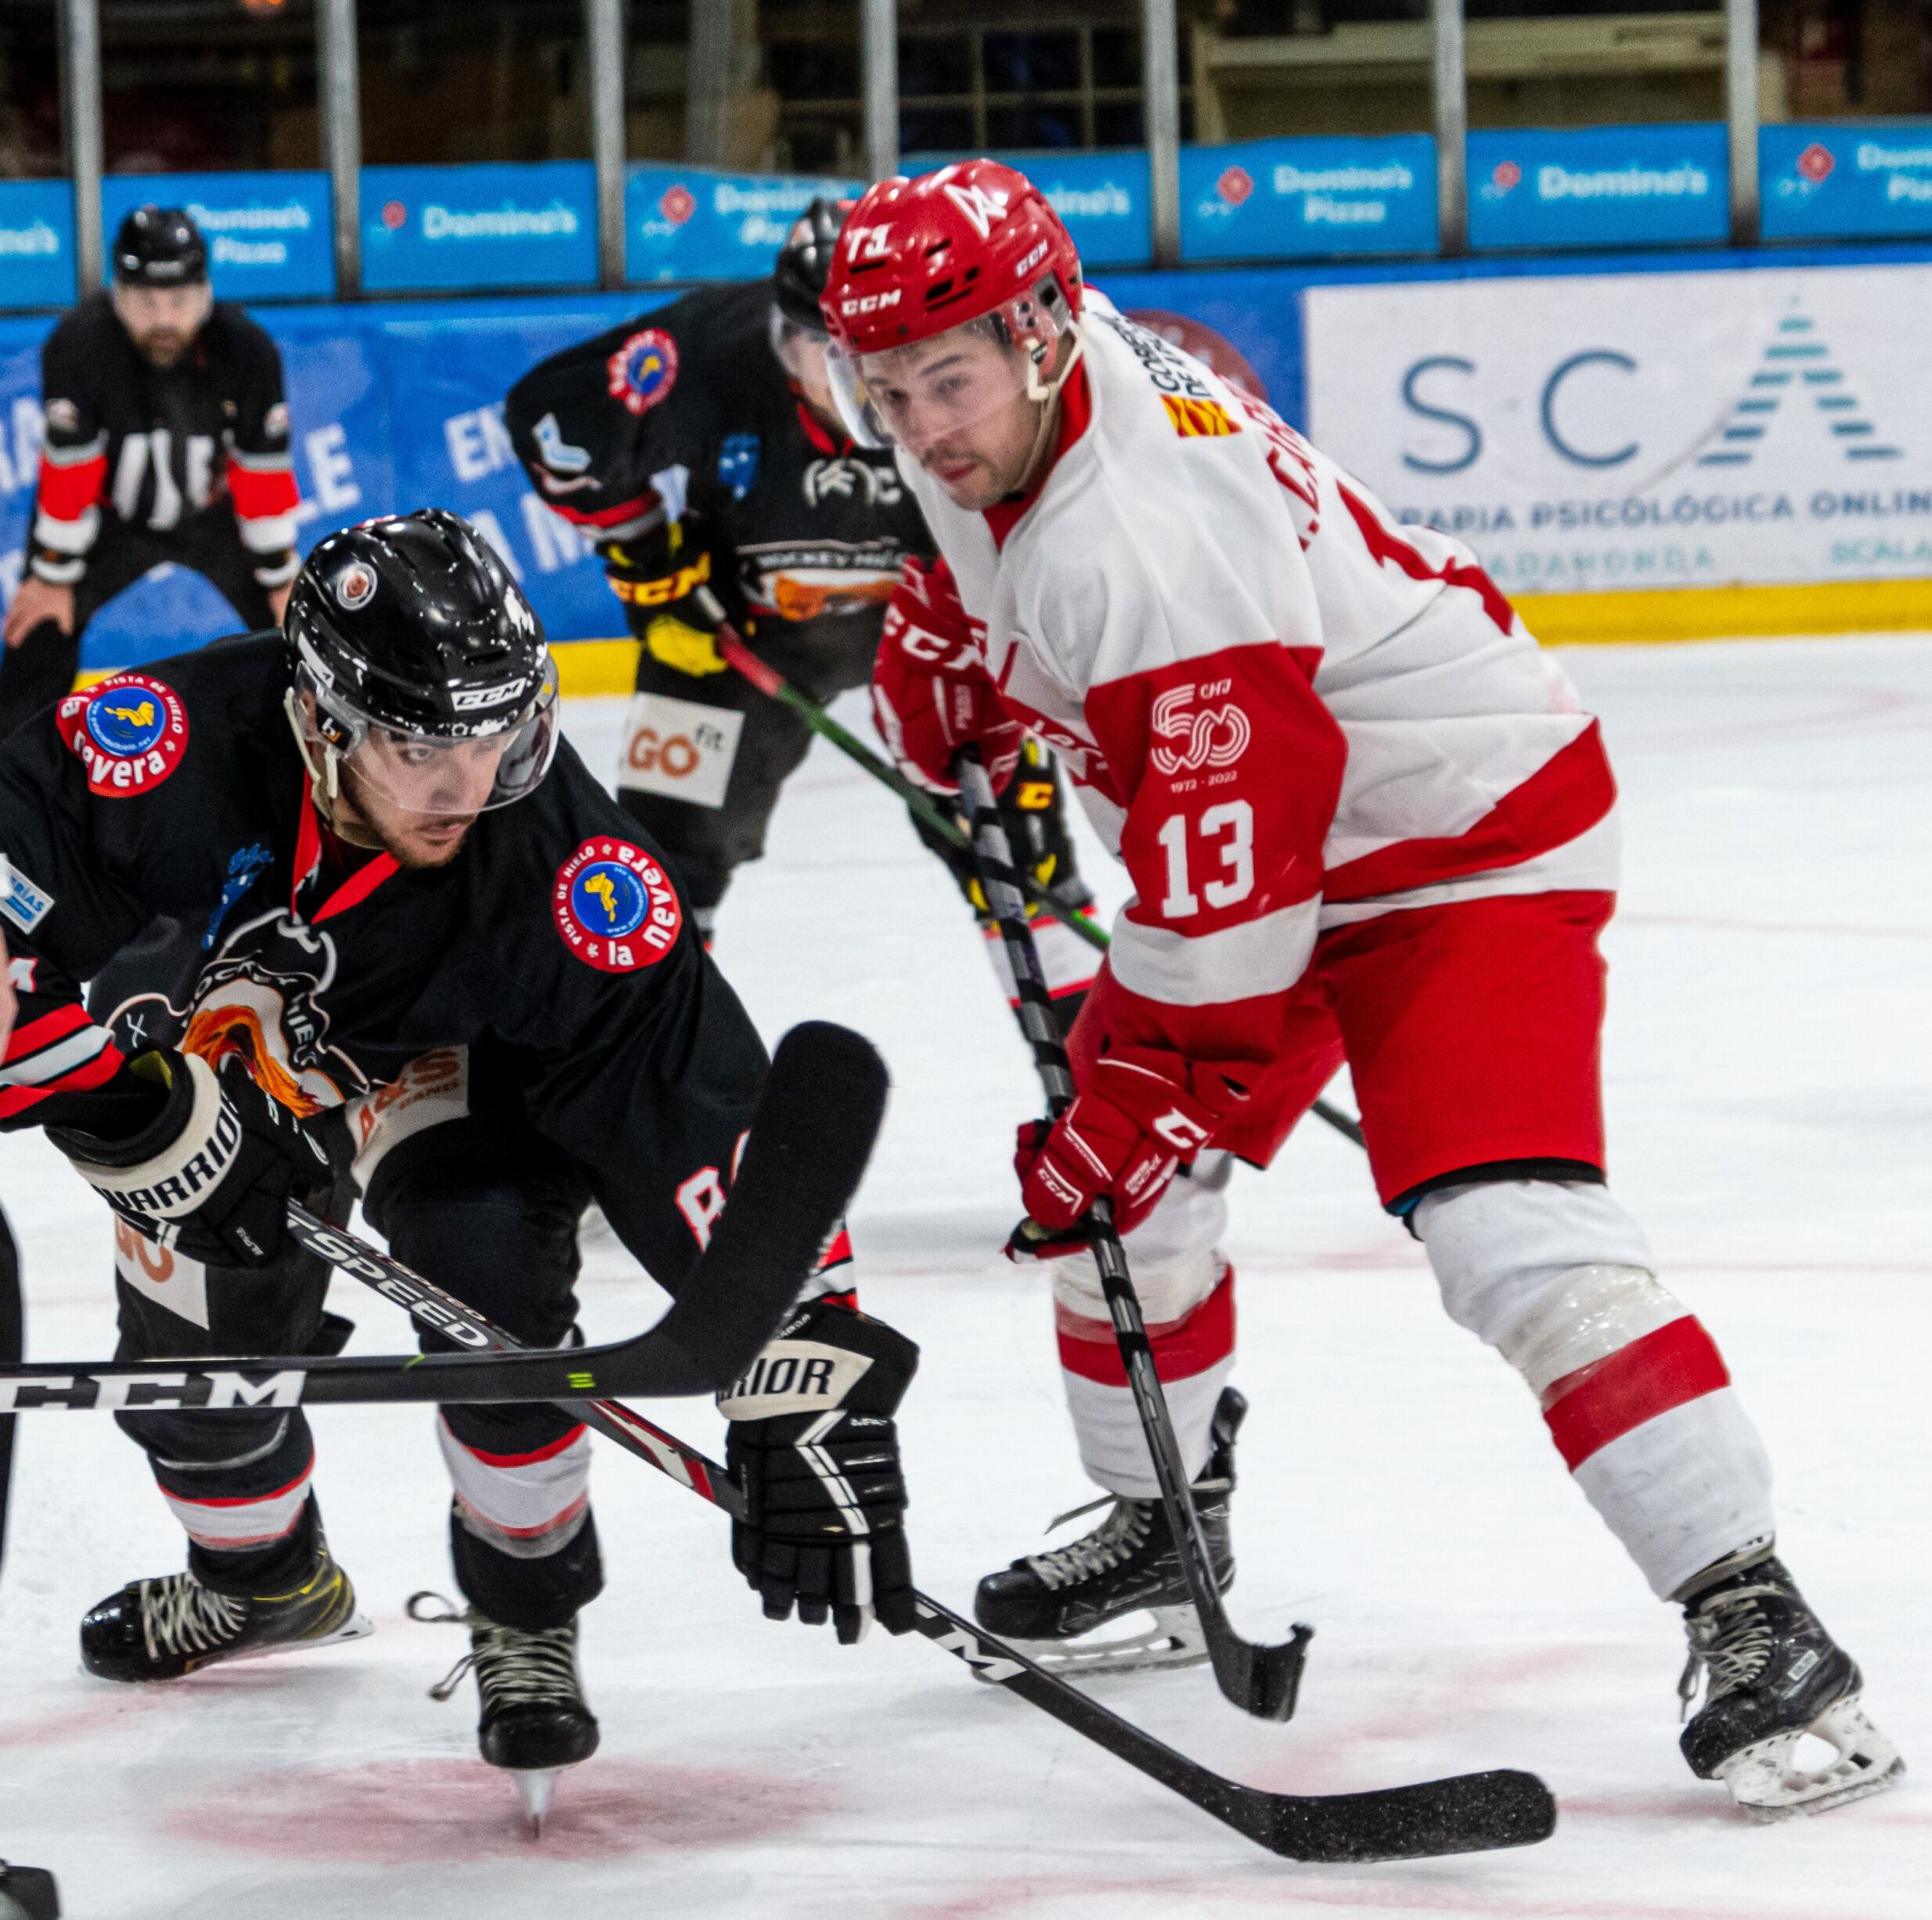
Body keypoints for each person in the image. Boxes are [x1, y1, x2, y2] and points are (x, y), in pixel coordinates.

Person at [828, 160, 1901, 1819]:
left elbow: (1230, 890)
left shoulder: (1149, 539)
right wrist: (959, 650)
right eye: (880, 387)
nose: (914, 421)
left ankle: (1756, 1614)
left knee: (1502, 1227)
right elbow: (1011, 618)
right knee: (1121, 1209)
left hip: (1461, 842)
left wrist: (1145, 1087)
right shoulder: (1016, 394)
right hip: (1289, 833)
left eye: (940, 378)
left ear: (1040, 329)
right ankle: (1163, 1527)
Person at [0, 510, 917, 1822]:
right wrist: (120, 1105)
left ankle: (523, 1604)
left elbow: (683, 1079)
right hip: (236, 1064)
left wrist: (803, 1350)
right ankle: (263, 1579)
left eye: (497, 736)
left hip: (455, 1064)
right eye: (424, 744)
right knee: (196, 1372)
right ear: (319, 718)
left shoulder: (559, 863)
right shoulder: (153, 748)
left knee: (488, 1293)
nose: (468, 783)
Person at [504, 198, 1096, 1023]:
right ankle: (642, 1082)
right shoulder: (708, 350)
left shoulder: (966, 368)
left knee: (1015, 856)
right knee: (655, 867)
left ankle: (1097, 1085)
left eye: (865, 353)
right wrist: (650, 568)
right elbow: (552, 418)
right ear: (781, 334)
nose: (840, 378)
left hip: (935, 638)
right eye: (814, 348)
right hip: (737, 636)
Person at [0, 207, 301, 738]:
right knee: (38, 636)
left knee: (299, 640)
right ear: (118, 293)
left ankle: (309, 767)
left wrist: (279, 576)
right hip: (109, 522)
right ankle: (15, 790)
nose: (163, 319)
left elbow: (263, 473)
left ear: (206, 293)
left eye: (179, 300)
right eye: (145, 301)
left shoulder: (248, 350)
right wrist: (51, 574)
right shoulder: (78, 344)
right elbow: (71, 474)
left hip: (218, 521)